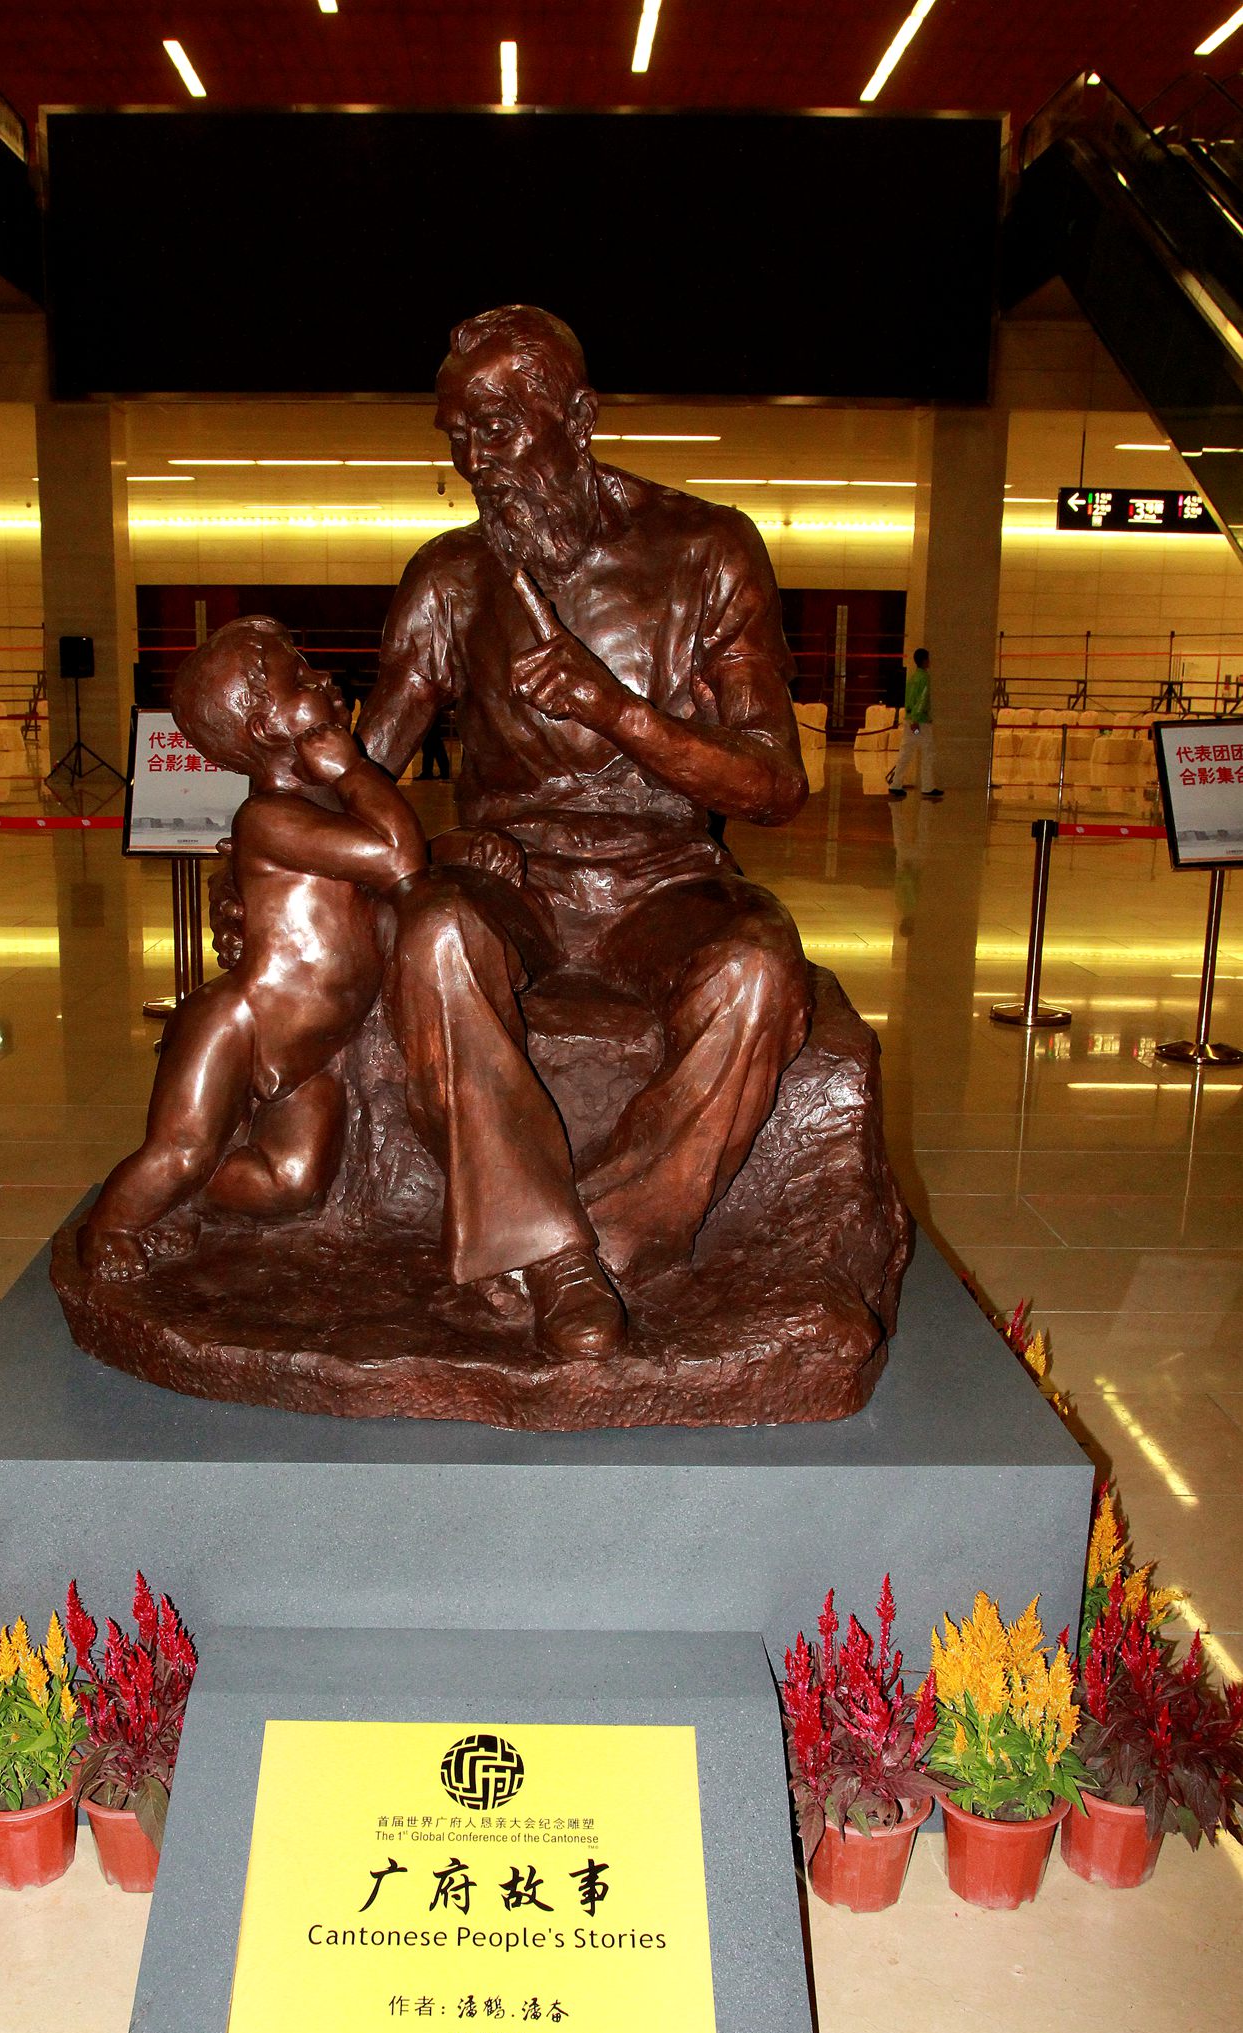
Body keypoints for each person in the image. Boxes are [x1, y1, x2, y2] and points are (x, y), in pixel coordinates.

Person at [340, 304, 811, 1362]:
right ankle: (556, 1265)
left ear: (581, 419)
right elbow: (362, 770)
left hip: (667, 879)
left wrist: (618, 711)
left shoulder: (708, 550)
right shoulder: (450, 579)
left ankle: (601, 1244)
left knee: (757, 969)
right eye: (458, 438)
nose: (476, 464)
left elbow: (775, 785)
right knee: (433, 931)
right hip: (512, 877)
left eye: (498, 429)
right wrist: (280, 843)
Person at [80, 617, 426, 1281]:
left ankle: (192, 1194)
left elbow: (399, 876)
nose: (325, 679)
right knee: (180, 1150)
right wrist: (353, 768)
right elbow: (398, 859)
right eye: (301, 679)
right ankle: (112, 1224)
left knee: (291, 1182)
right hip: (245, 1022)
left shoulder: (326, 806)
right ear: (267, 728)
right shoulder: (268, 818)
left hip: (312, 1045)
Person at [888, 647, 942, 799]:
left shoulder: (912, 678)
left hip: (910, 722)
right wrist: (917, 720)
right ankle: (928, 786)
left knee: (906, 752)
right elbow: (922, 699)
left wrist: (912, 719)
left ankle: (896, 784)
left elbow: (909, 700)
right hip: (920, 724)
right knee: (927, 752)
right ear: (924, 660)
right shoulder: (924, 678)